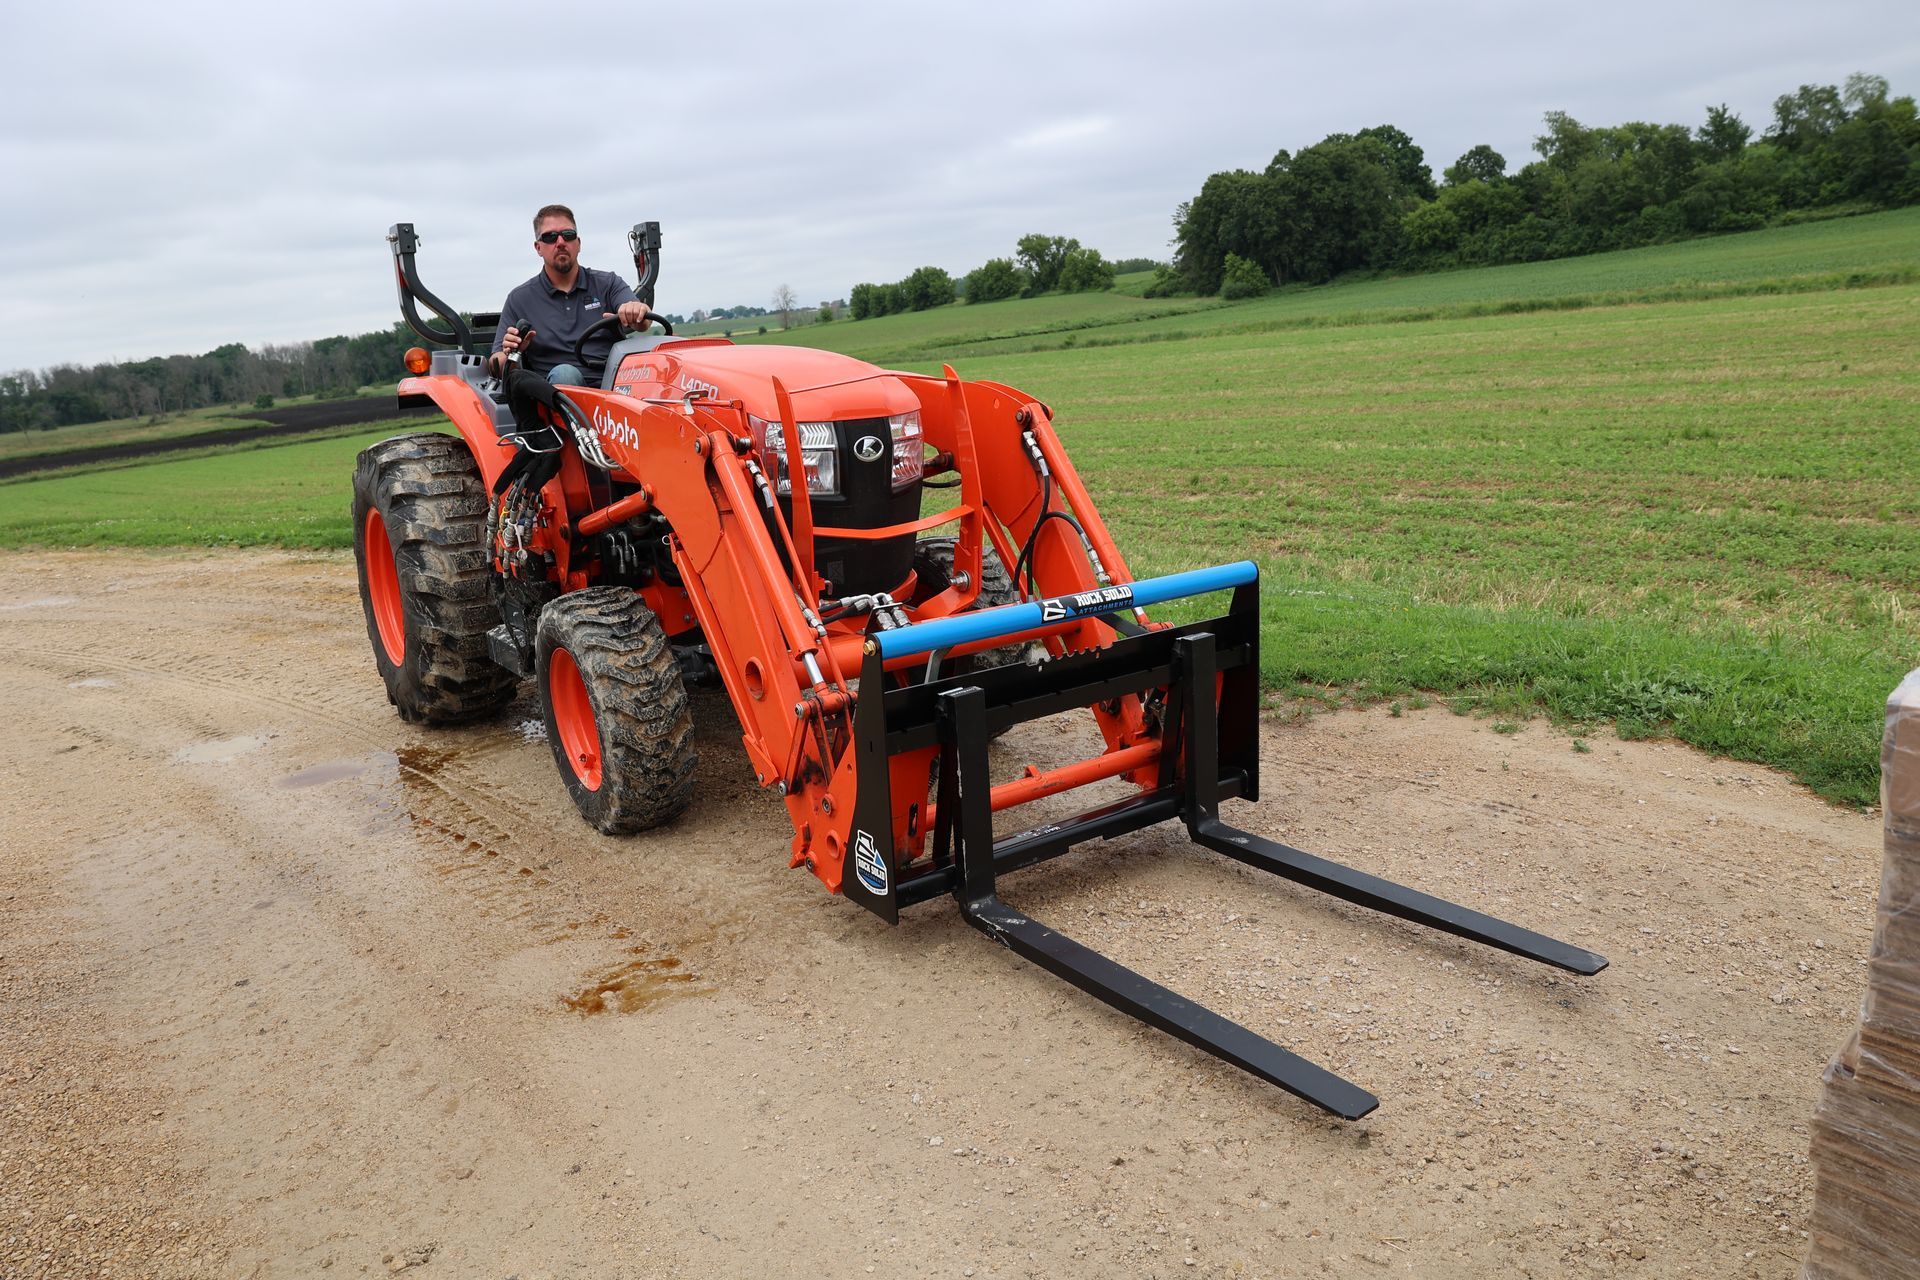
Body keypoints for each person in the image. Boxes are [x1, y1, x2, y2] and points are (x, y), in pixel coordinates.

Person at [487, 204, 651, 386]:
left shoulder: (608, 283)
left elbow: (643, 321)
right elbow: (496, 364)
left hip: (616, 386)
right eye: (550, 237)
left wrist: (636, 311)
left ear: (578, 243)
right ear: (538, 247)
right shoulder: (520, 299)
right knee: (565, 374)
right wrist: (511, 353)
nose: (560, 243)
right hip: (555, 397)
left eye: (568, 235)